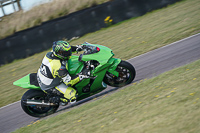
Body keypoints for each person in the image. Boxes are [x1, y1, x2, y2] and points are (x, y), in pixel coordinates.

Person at [37, 40, 88, 105]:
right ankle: (55, 99)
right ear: (60, 54)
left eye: (68, 52)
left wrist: (79, 48)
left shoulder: (52, 52)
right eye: (66, 53)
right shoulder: (58, 66)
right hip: (50, 85)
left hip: (44, 75)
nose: (69, 54)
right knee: (73, 95)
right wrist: (83, 75)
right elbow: (69, 82)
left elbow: (66, 50)